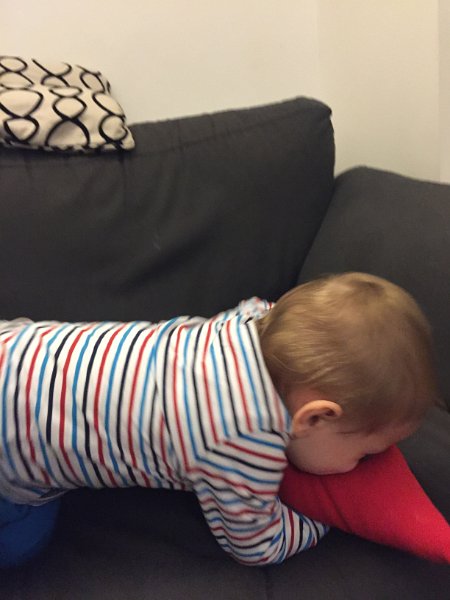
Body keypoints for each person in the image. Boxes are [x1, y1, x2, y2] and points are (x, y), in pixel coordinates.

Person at [0, 272, 439, 567]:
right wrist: (323, 522)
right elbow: (256, 544)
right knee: (25, 542)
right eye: (363, 454)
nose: (359, 467)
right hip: (9, 446)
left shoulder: (252, 317)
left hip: (18, 347)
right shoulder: (244, 439)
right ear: (315, 417)